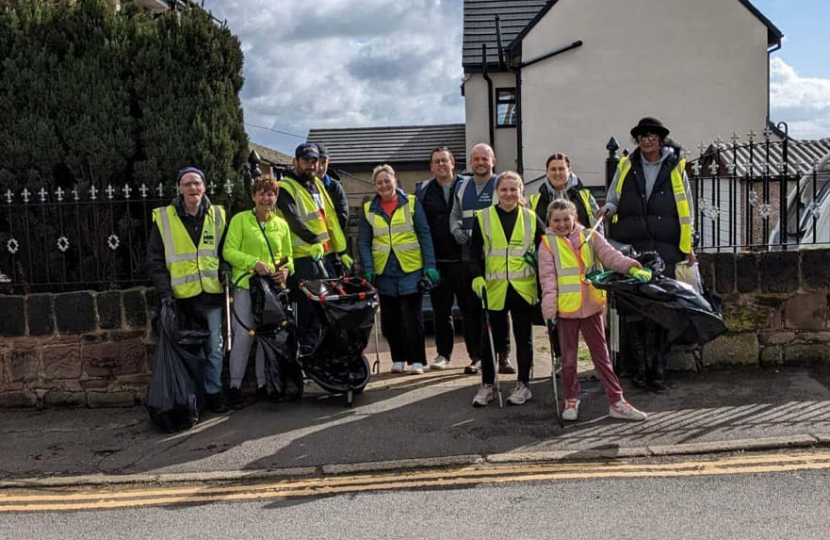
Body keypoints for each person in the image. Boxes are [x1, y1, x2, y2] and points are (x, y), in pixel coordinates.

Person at [603, 117, 695, 390]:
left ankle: (659, 368)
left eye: (652, 135)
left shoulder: (676, 167)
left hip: (665, 248)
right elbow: (612, 198)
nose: (647, 140)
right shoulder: (625, 165)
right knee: (634, 310)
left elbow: (686, 208)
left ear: (660, 138)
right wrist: (606, 209)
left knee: (662, 310)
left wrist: (688, 246)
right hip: (632, 248)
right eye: (642, 136)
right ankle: (641, 367)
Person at [539, 199, 649, 421]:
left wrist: (631, 266)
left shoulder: (589, 236)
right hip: (566, 310)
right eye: (556, 220)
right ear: (549, 222)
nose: (561, 224)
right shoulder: (547, 244)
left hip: (591, 306)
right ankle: (571, 398)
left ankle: (616, 401)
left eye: (566, 219)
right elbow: (548, 278)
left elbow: (610, 256)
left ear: (575, 218)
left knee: (602, 357)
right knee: (568, 360)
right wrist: (549, 305)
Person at [147, 166, 228, 413]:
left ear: (204, 187)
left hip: (211, 294)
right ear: (179, 189)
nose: (193, 188)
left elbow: (226, 250)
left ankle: (213, 392)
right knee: (187, 350)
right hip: (181, 297)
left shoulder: (218, 215)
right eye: (187, 184)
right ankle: (192, 397)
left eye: (197, 183)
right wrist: (164, 291)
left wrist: (225, 268)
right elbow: (155, 259)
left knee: (215, 347)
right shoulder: (164, 218)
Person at [468, 171, 545, 407]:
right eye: (504, 189)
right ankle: (488, 385)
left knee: (524, 339)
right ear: (497, 192)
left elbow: (546, 252)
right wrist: (477, 277)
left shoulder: (532, 218)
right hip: (494, 288)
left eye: (514, 189)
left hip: (523, 289)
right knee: (490, 338)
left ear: (521, 192)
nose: (509, 194)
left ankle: (523, 385)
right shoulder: (484, 217)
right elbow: (473, 253)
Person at [358, 164, 439, 375]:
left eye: (387, 181)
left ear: (395, 181)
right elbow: (363, 243)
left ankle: (417, 361)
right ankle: (398, 358)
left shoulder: (412, 203)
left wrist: (430, 266)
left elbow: (424, 235)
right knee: (391, 319)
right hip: (384, 271)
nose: (384, 185)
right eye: (379, 182)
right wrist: (368, 268)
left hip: (410, 269)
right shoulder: (368, 209)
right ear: (375, 185)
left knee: (412, 318)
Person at [222, 175, 293, 409]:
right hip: (245, 286)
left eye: (270, 193)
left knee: (266, 336)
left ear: (276, 197)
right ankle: (234, 387)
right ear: (253, 196)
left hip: (270, 290)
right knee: (244, 336)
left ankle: (265, 386)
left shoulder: (281, 225)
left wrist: (285, 271)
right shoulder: (240, 220)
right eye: (261, 193)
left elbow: (289, 257)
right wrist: (253, 263)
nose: (266, 197)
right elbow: (228, 251)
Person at [277, 143, 352, 353]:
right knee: (307, 311)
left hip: (324, 257)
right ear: (295, 162)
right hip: (302, 258)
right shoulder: (285, 187)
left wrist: (341, 250)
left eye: (314, 161)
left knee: (322, 310)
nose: (311, 165)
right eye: (306, 161)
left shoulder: (317, 185)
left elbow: (330, 220)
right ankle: (305, 353)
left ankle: (318, 353)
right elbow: (294, 220)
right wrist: (313, 241)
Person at [450, 143, 515, 376]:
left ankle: (503, 356)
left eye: (484, 159)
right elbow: (455, 215)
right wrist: (456, 229)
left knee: (499, 308)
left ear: (493, 161)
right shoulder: (462, 186)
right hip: (469, 256)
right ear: (470, 162)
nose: (480, 163)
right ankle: (476, 357)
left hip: (496, 257)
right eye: (476, 159)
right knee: (471, 311)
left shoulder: (502, 185)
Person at [415, 147, 479, 371]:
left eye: (445, 160)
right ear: (431, 166)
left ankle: (476, 355)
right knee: (440, 312)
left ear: (453, 163)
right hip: (438, 263)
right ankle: (443, 355)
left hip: (465, 260)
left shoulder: (467, 186)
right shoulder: (423, 192)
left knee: (470, 310)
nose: (441, 165)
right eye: (436, 162)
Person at [529, 152, 600, 230]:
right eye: (553, 169)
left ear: (569, 170)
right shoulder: (534, 201)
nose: (557, 173)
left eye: (561, 169)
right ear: (547, 172)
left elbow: (598, 227)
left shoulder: (585, 196)